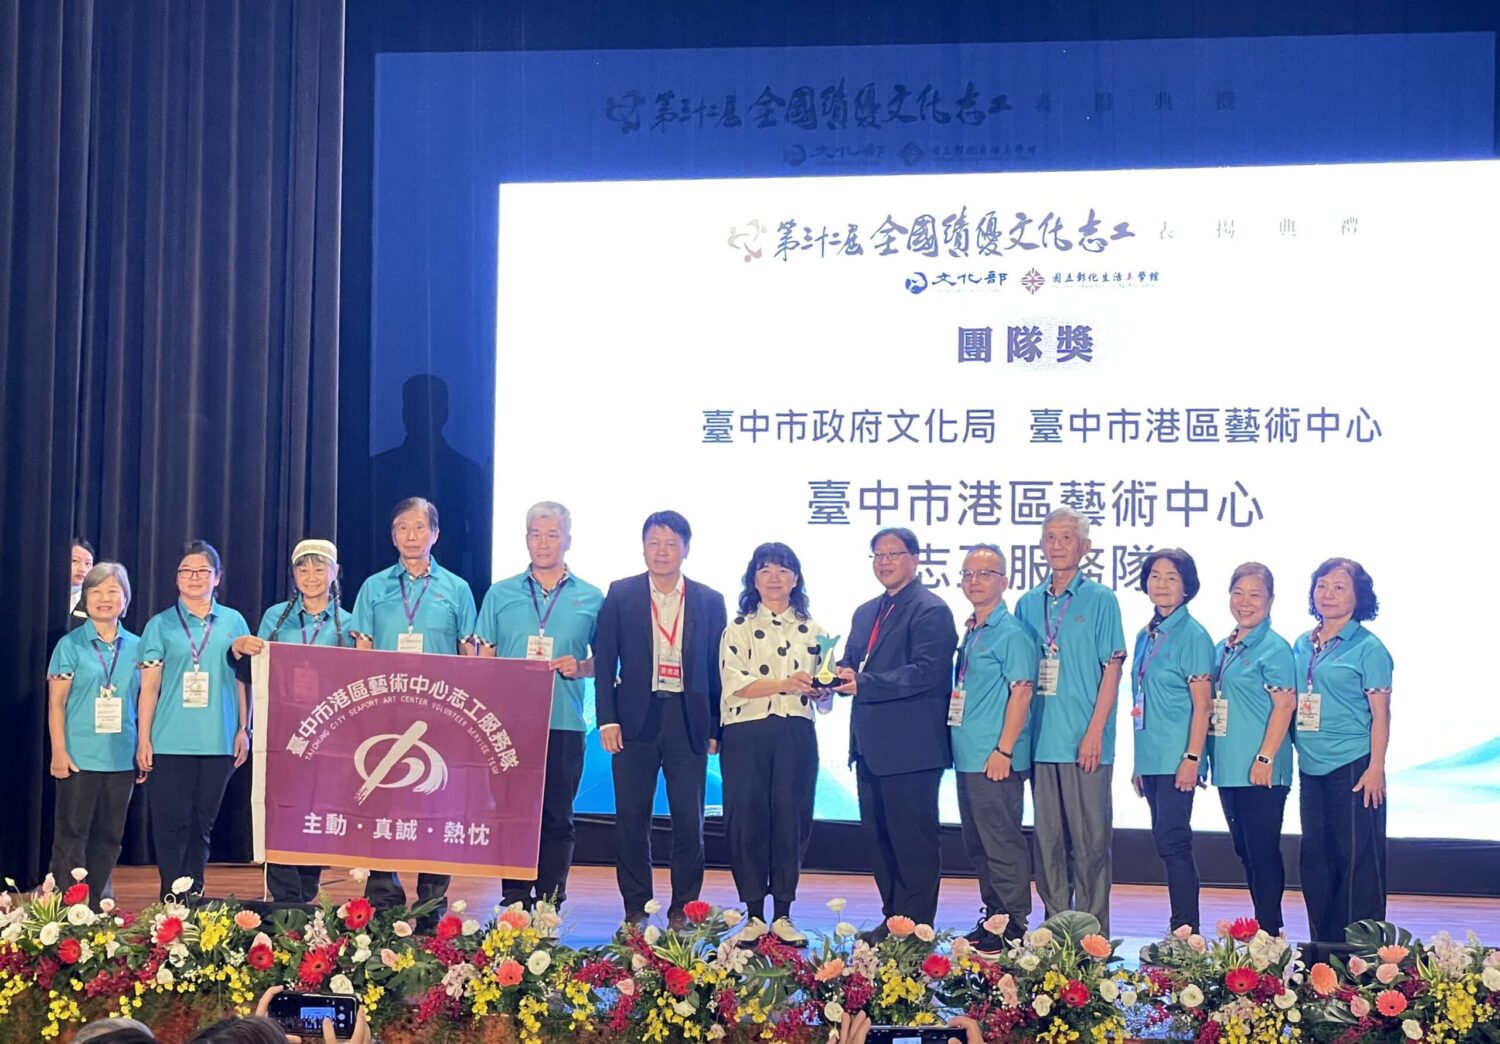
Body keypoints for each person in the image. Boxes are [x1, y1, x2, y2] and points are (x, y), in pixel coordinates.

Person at [594, 510, 727, 930]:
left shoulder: (709, 600)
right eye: (654, 542)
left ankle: (683, 909)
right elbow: (604, 660)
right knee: (632, 819)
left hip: (688, 719)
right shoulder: (621, 593)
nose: (662, 551)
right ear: (643, 547)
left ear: (686, 549)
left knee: (690, 822)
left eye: (671, 543)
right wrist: (607, 719)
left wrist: (715, 727)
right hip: (635, 719)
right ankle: (636, 908)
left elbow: (718, 668)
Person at [350, 498, 478, 921]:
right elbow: (362, 651)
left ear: (435, 534)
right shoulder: (373, 587)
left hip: (440, 716)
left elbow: (470, 655)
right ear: (393, 536)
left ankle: (430, 903)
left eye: (419, 527)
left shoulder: (456, 589)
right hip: (384, 714)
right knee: (382, 805)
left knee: (435, 807)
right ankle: (383, 900)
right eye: (402, 527)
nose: (411, 535)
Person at [475, 502, 603, 908]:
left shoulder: (591, 597)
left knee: (557, 816)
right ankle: (514, 901)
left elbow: (605, 660)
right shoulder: (500, 594)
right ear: (526, 538)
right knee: (512, 815)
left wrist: (580, 666)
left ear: (568, 540)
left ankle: (549, 904)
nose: (543, 543)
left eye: (552, 534)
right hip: (508, 726)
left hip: (564, 721)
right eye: (535, 534)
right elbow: (483, 659)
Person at [834, 527, 957, 937]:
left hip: (912, 749)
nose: (884, 562)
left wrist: (865, 682)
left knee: (913, 844)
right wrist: (833, 676)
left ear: (915, 559)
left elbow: (927, 672)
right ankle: (894, 921)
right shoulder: (866, 611)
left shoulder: (930, 610)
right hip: (869, 747)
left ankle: (916, 928)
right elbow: (853, 661)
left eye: (893, 554)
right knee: (880, 842)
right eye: (878, 554)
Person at [1014, 508, 1126, 933]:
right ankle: (1055, 931)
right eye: (1050, 537)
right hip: (1042, 741)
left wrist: (1095, 732)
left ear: (1085, 546)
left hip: (1085, 740)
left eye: (1066, 537)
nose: (1057, 545)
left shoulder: (1101, 599)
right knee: (1048, 844)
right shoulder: (1027, 603)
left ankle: (1093, 934)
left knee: (1091, 842)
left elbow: (1112, 668)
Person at [717, 541, 828, 946]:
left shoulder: (815, 631)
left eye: (783, 569)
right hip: (745, 732)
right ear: (753, 579)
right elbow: (735, 684)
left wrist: (821, 690)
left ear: (796, 578)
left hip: (795, 732)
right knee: (746, 818)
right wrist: (784, 683)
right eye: (765, 570)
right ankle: (753, 914)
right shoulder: (738, 627)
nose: (775, 577)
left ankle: (783, 913)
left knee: (791, 818)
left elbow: (826, 690)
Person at [229, 540, 349, 904]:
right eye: (303, 569)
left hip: (330, 733)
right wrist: (240, 649)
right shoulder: (275, 617)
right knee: (281, 806)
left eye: (319, 568)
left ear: (334, 573)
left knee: (316, 808)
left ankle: (306, 888)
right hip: (281, 728)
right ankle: (283, 894)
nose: (311, 577)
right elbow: (256, 668)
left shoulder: (351, 622)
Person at [135, 541, 251, 898]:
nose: (194, 577)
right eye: (186, 571)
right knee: (172, 825)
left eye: (203, 571)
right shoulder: (160, 625)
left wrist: (243, 728)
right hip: (170, 739)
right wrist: (143, 738)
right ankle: (172, 898)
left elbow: (242, 680)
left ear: (217, 578)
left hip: (218, 738)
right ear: (176, 578)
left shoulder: (233, 621)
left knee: (202, 824)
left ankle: (194, 895)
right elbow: (149, 687)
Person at [1293, 557, 1393, 944]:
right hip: (1310, 764)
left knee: (1356, 859)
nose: (1328, 594)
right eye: (1322, 585)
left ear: (1358, 596)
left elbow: (1381, 714)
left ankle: (1360, 955)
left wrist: (1376, 767)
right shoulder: (1302, 643)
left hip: (1353, 764)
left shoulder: (1369, 648)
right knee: (1316, 858)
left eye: (1339, 587)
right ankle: (1323, 949)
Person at [951, 545, 1036, 956]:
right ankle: (993, 918)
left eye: (984, 573)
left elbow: (1022, 693)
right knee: (979, 844)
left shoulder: (1011, 632)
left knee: (1001, 842)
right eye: (967, 574)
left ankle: (1013, 925)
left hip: (994, 758)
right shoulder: (973, 630)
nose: (974, 581)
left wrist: (1004, 749)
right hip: (968, 756)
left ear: (1004, 581)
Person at [1129, 547, 1214, 933]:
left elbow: (1203, 705)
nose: (1161, 584)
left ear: (1187, 587)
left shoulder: (1193, 635)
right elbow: (1141, 700)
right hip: (1152, 756)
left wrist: (1193, 757)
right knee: (1165, 842)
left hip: (1179, 756)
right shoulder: (1146, 634)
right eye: (1155, 576)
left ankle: (1185, 930)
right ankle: (1180, 928)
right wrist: (1138, 763)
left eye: (1172, 578)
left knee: (1174, 842)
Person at [1209, 562, 1297, 935]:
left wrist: (1265, 757)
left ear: (1270, 600)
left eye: (1255, 595)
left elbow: (1286, 705)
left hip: (1261, 768)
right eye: (1238, 593)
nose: (1245, 602)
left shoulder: (1274, 648)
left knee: (1262, 851)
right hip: (1229, 766)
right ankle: (1262, 928)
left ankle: (1270, 931)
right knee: (1245, 851)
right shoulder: (1223, 647)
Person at [47, 563, 142, 906]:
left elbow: (147, 701)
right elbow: (56, 704)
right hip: (78, 756)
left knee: (109, 836)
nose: (105, 598)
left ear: (125, 599)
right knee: (72, 835)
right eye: (96, 591)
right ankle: (70, 908)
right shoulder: (69, 645)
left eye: (113, 591)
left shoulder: (139, 647)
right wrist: (59, 751)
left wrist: (144, 747)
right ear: (85, 599)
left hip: (122, 757)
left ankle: (98, 904)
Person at [69, 537, 96, 627]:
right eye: (75, 561)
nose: (82, 569)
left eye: (88, 563)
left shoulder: (94, 600)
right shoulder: (48, 597)